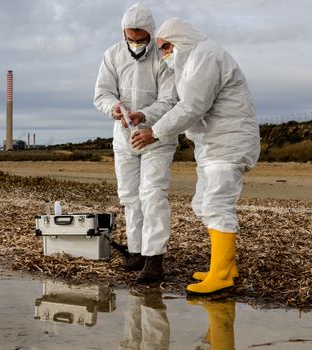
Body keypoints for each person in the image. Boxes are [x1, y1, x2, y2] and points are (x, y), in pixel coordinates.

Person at [131, 17, 260, 294]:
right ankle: (224, 266)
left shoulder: (205, 56)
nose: (164, 53)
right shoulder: (192, 62)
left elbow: (192, 106)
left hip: (228, 143)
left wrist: (154, 131)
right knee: (203, 204)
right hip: (212, 145)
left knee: (217, 205)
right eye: (161, 48)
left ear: (180, 38)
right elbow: (184, 105)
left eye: (166, 46)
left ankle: (222, 275)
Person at [94, 3, 178, 282]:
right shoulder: (113, 55)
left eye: (140, 38)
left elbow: (170, 99)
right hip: (124, 136)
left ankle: (155, 259)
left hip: (157, 135)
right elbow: (102, 93)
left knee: (152, 194)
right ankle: (137, 251)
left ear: (150, 34)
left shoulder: (163, 56)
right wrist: (114, 109)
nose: (135, 43)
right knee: (130, 195)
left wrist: (144, 115)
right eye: (130, 37)